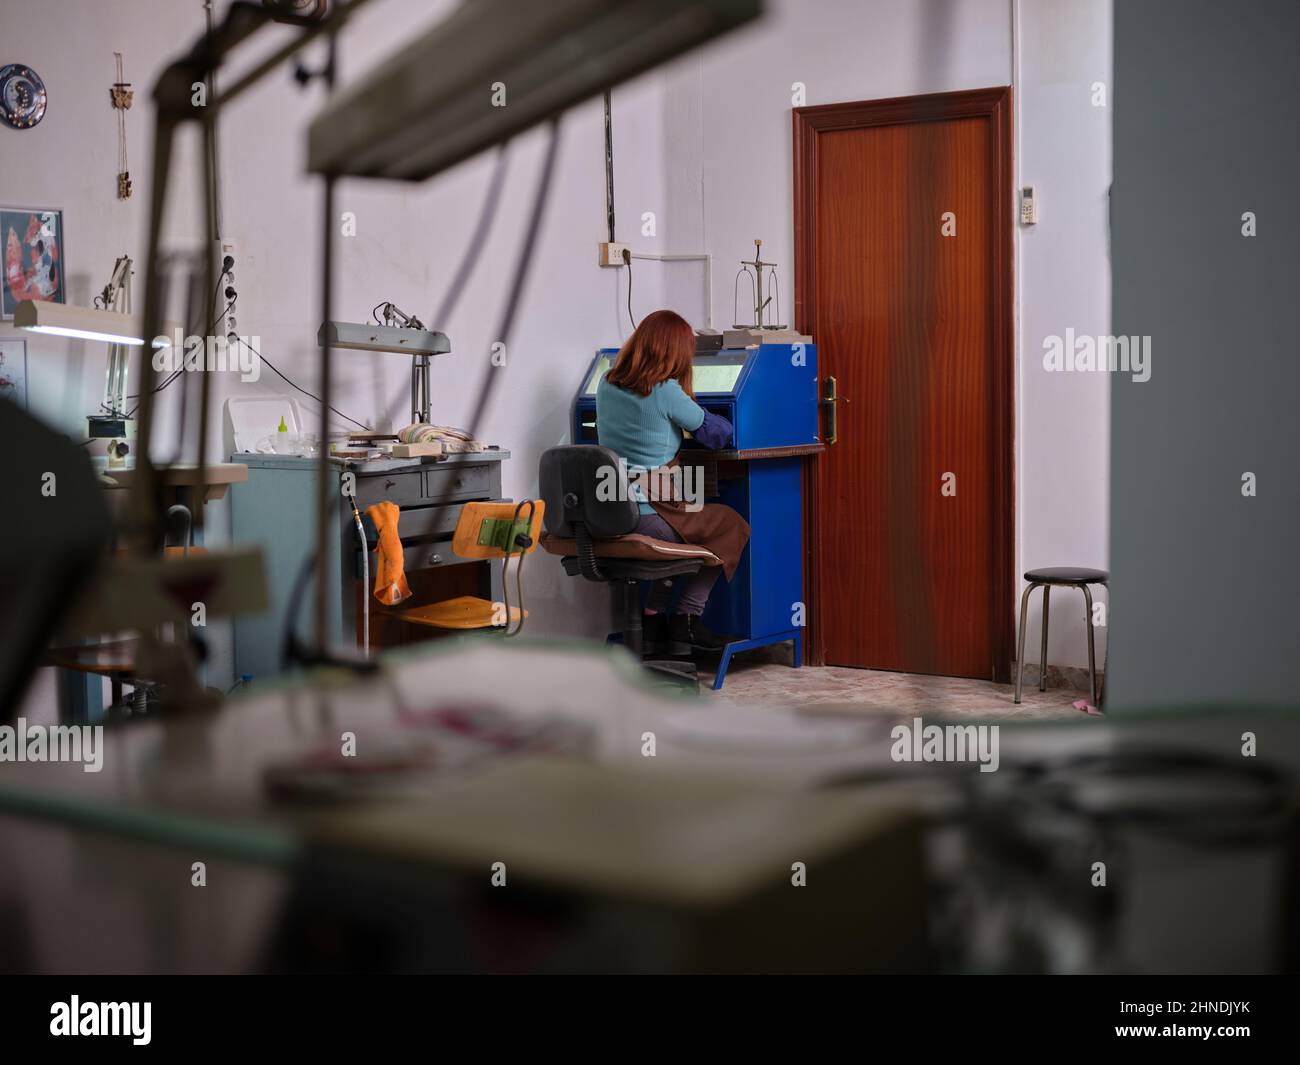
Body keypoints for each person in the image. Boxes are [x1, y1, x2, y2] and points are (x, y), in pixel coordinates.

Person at [596, 309, 750, 654]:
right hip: (652, 511)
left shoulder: (606, 383)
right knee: (730, 525)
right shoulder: (665, 390)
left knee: (692, 507)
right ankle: (686, 622)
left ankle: (653, 618)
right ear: (675, 352)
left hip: (611, 503)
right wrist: (706, 413)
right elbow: (716, 435)